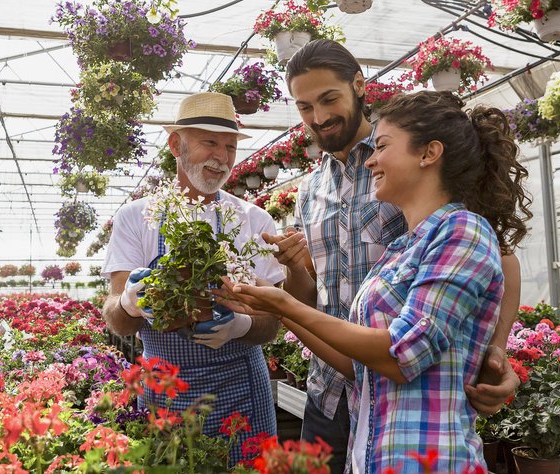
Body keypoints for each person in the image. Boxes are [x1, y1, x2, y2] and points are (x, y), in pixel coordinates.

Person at [216, 90, 532, 472]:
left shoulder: (461, 230)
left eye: (382, 146)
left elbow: (403, 356)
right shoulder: (402, 246)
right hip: (372, 454)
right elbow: (362, 365)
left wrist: (285, 305)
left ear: (428, 153)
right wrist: (277, 310)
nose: (372, 160)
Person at [100, 92, 285, 465]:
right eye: (210, 143)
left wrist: (242, 326)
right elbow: (116, 322)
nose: (222, 157)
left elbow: (273, 324)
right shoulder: (137, 217)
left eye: (230, 147)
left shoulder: (254, 220)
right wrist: (129, 302)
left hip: (241, 390)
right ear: (175, 145)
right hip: (166, 392)